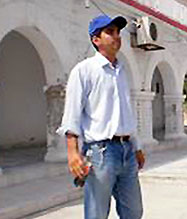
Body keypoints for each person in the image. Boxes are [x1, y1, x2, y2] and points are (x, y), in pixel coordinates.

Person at [57, 14, 145, 219]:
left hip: (127, 151)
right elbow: (72, 113)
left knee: (134, 212)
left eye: (118, 32)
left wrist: (137, 146)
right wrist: (73, 153)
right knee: (97, 213)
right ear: (96, 40)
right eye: (110, 32)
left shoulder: (121, 71)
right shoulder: (84, 71)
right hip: (101, 153)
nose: (117, 36)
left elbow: (127, 113)